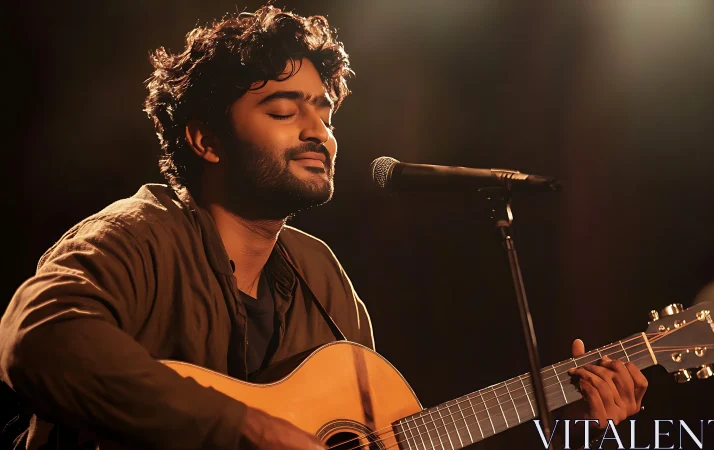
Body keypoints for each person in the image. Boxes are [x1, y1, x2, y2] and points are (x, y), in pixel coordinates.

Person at [0, 4, 647, 449]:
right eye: (284, 110)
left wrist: (578, 433)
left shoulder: (322, 281)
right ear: (205, 139)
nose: (319, 132)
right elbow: (41, 341)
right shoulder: (138, 235)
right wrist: (247, 430)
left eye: (326, 113)